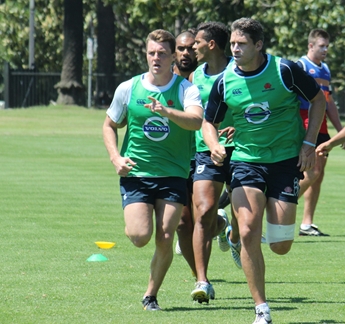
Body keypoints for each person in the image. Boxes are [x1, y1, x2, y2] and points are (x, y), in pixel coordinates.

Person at [202, 18, 325, 324]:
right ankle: (261, 309)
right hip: (246, 160)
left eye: (241, 44)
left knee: (281, 245)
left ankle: (229, 231)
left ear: (258, 45)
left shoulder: (284, 70)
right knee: (249, 231)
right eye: (232, 43)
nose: (235, 49)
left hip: (285, 161)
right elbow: (208, 122)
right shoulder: (224, 80)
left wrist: (309, 143)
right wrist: (214, 144)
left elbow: (317, 99)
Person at [102, 29, 203, 311]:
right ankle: (138, 225)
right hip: (137, 173)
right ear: (146, 55)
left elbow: (196, 121)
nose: (156, 58)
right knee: (139, 236)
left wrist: (167, 111)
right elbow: (110, 125)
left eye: (162, 53)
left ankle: (151, 294)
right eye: (151, 53)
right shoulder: (129, 88)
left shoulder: (185, 88)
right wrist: (115, 158)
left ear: (173, 56)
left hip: (173, 174)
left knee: (166, 235)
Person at [187, 21, 235, 304]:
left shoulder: (238, 71)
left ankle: (234, 235)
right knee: (204, 212)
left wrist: (239, 128)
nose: (194, 47)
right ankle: (203, 281)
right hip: (206, 151)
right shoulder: (195, 76)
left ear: (211, 44)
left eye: (197, 42)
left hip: (242, 151)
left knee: (245, 219)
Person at [297, 29, 344, 236]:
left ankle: (307, 224)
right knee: (312, 172)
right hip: (305, 124)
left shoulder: (324, 69)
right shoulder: (300, 66)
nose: (325, 50)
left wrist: (340, 131)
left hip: (322, 126)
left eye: (327, 46)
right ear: (310, 46)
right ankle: (281, 205)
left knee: (318, 175)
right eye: (321, 46)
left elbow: (328, 102)